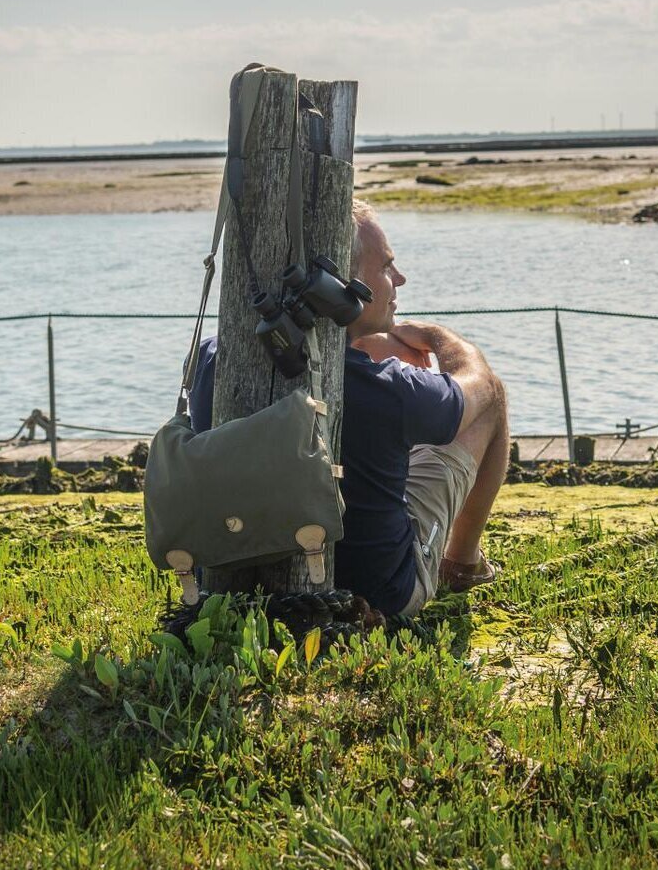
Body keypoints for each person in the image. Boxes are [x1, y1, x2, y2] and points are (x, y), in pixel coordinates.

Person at [186, 199, 510, 617]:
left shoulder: (211, 358)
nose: (400, 278)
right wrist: (434, 335)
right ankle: (461, 564)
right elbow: (478, 384)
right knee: (491, 401)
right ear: (345, 287)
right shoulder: (385, 389)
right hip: (382, 591)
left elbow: (303, 363)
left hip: (227, 582)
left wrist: (360, 339)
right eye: (387, 267)